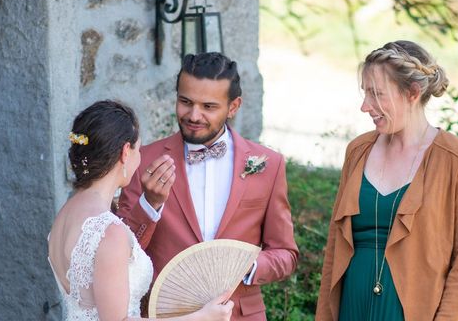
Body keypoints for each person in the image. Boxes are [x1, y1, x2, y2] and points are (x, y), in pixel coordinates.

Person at [118, 52, 298, 320]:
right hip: (167, 314)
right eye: (185, 102)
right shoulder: (145, 161)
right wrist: (149, 204)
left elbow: (286, 254)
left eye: (209, 106)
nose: (194, 115)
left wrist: (248, 266)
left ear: (233, 106)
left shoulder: (268, 165)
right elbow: (122, 252)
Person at [316, 41, 458, 321]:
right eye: (365, 93)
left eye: (377, 94)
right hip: (351, 307)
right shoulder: (358, 150)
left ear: (412, 93)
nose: (365, 106)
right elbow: (335, 247)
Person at [48, 100, 233, 321]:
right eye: (139, 149)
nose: (140, 157)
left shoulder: (65, 214)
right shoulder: (108, 231)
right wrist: (202, 317)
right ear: (126, 152)